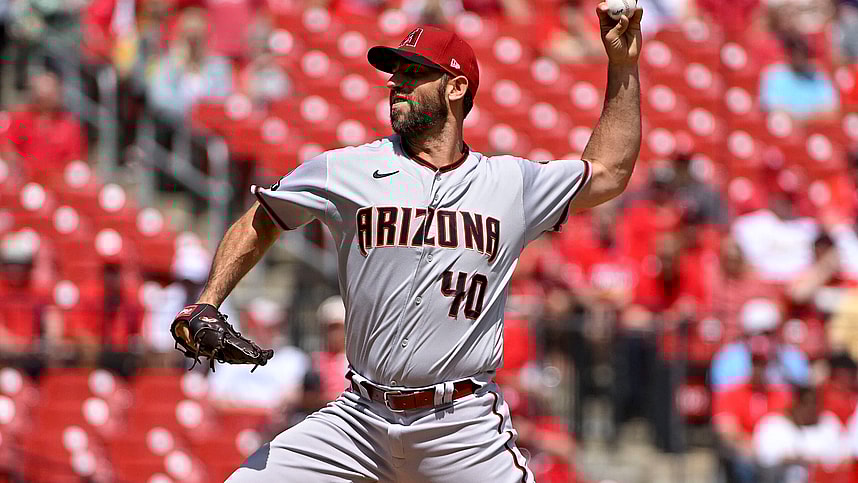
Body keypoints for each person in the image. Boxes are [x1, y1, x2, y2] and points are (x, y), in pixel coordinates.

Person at [180, 4, 643, 479]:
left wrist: (623, 65)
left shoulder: (510, 183)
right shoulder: (348, 169)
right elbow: (263, 218)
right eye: (394, 72)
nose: (395, 82)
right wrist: (207, 302)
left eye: (414, 72)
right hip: (358, 419)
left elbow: (610, 172)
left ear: (457, 88)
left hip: (460, 426)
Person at [712, 335, 794, 483]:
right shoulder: (731, 392)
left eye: (763, 363)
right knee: (744, 465)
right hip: (744, 452)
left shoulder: (781, 394)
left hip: (774, 455)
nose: (759, 368)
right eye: (756, 363)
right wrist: (750, 446)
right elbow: (725, 429)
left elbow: (787, 428)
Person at [0, 71, 88, 180]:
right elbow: (6, 146)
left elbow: (74, 161)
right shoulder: (19, 118)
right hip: (22, 181)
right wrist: (17, 165)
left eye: (53, 92)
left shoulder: (69, 125)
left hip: (57, 183)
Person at [754, 385, 850, 483]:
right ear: (795, 403)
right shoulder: (773, 424)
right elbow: (764, 457)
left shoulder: (829, 423)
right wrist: (798, 459)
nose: (810, 408)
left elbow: (846, 457)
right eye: (806, 403)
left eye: (815, 404)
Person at [710, 298, 810, 391]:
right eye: (753, 334)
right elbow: (722, 394)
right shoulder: (728, 359)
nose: (760, 340)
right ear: (745, 335)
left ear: (776, 334)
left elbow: (802, 389)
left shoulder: (791, 357)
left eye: (766, 334)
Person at [759, 33, 839, 120]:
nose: (800, 57)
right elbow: (772, 109)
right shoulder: (774, 74)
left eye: (804, 52)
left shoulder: (818, 75)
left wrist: (803, 119)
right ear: (789, 53)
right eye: (796, 52)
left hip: (815, 128)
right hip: (784, 130)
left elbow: (831, 110)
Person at [311, 295, 350, 403]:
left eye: (337, 328)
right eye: (329, 328)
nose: (334, 334)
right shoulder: (316, 360)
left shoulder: (356, 361)